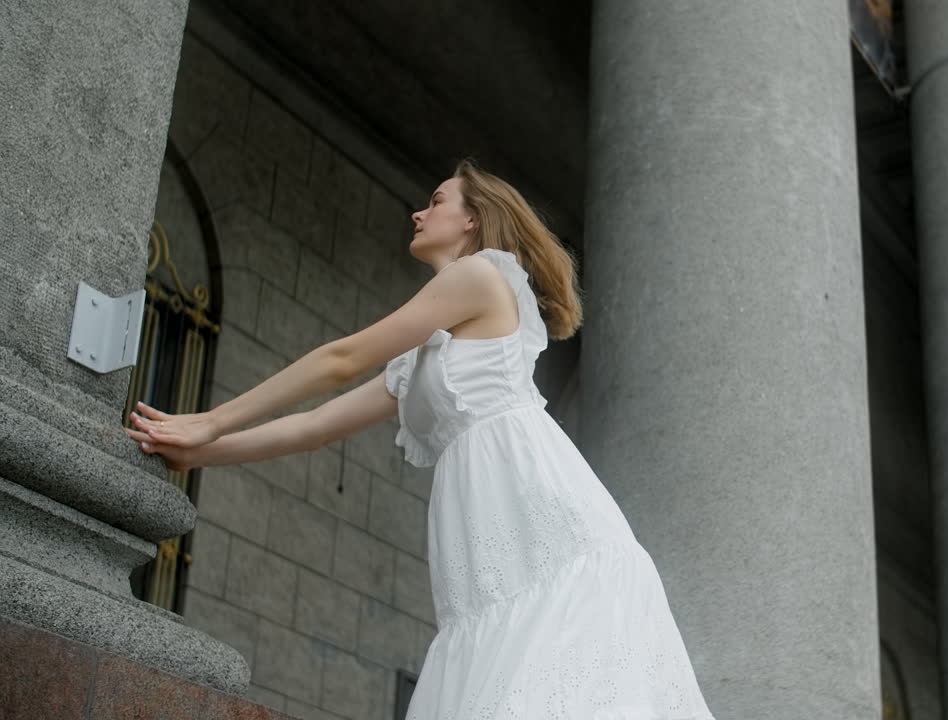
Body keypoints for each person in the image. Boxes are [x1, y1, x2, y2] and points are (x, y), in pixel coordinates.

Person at [125, 159, 716, 719]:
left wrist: (212, 420)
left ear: (472, 220)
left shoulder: (480, 276)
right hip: (486, 541)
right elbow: (314, 429)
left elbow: (342, 358)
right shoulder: (425, 359)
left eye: (436, 202)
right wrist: (200, 451)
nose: (418, 213)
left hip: (543, 522)